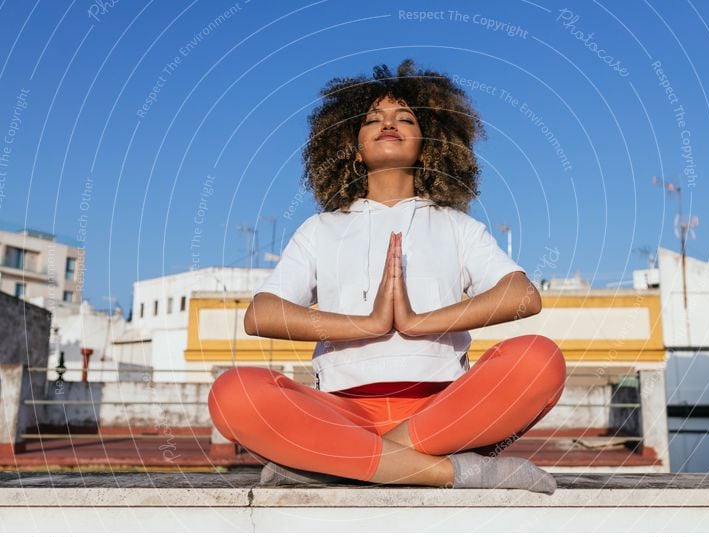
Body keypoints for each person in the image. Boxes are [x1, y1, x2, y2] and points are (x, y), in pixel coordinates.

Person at [207, 59, 566, 492]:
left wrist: (419, 322)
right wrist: (367, 324)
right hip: (340, 414)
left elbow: (522, 296)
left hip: (442, 413)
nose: (388, 123)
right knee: (233, 394)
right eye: (372, 119)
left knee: (540, 359)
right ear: (353, 149)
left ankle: (343, 463)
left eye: (405, 118)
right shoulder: (321, 228)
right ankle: (449, 472)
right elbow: (261, 314)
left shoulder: (457, 226)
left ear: (429, 144)